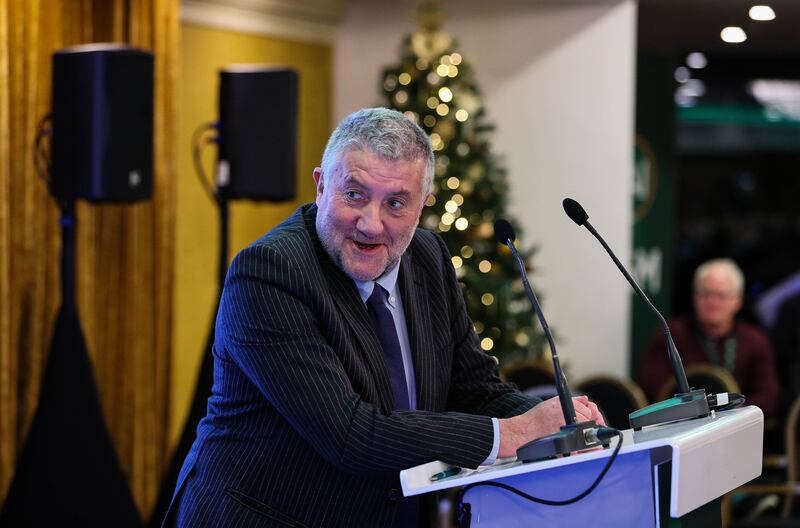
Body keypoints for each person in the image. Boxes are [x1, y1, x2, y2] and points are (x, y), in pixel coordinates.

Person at [164, 108, 603, 527]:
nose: (371, 224)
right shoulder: (269, 273)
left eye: (395, 203)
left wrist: (560, 421)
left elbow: (475, 391)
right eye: (354, 195)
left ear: (422, 206)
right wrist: (511, 434)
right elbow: (349, 435)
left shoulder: (428, 257)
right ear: (321, 186)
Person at [638, 258, 778, 418]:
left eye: (721, 295)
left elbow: (768, 398)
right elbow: (651, 391)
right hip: (681, 425)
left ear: (738, 301)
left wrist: (730, 416)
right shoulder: (669, 336)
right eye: (705, 293)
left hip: (736, 425)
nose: (712, 303)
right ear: (694, 297)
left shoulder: (755, 341)